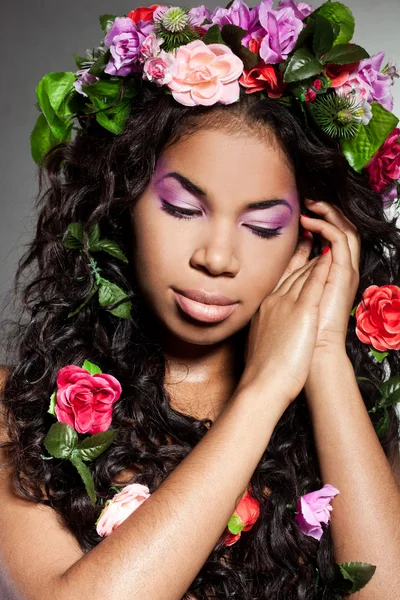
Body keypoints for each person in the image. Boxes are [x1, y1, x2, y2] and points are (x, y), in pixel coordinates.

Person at [0, 1, 400, 599]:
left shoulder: (351, 425)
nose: (217, 257)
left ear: (306, 238)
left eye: (263, 226)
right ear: (120, 202)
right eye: (184, 209)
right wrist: (263, 390)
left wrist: (321, 353)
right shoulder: (13, 409)